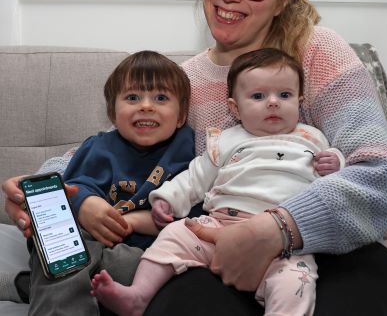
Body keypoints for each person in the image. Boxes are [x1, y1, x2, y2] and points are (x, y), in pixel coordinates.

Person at [3, 0, 387, 316]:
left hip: (327, 247)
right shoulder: (186, 81)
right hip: (215, 250)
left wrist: (277, 228)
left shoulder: (318, 51)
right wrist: (46, 188)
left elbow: (378, 177)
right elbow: (110, 146)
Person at [90, 47, 345, 316]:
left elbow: (340, 182)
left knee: (297, 283)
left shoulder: (313, 137)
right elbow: (195, 176)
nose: (273, 102)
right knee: (175, 235)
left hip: (285, 243)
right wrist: (167, 199)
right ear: (235, 107)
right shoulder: (225, 140)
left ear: (299, 101)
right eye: (258, 96)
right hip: (220, 225)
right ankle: (138, 295)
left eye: (284, 95)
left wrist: (337, 162)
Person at [2, 50, 195, 315]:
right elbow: (73, 186)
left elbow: (192, 215)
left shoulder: (187, 151)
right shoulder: (101, 146)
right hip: (87, 243)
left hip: (143, 259)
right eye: (132, 97)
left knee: (173, 269)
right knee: (61, 238)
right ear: (113, 114)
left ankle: (34, 284)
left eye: (161, 98)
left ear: (182, 114)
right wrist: (86, 202)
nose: (146, 105)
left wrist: (133, 222)